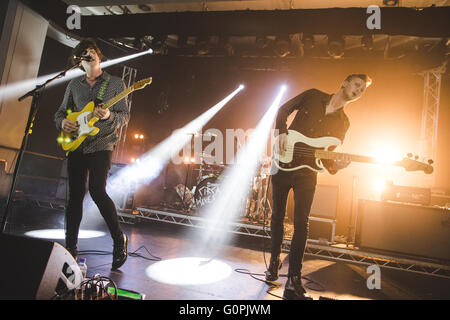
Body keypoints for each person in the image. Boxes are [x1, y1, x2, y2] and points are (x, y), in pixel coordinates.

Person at [266, 74, 372, 299]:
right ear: (344, 82)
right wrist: (282, 133)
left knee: (301, 224)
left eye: (363, 90)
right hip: (282, 164)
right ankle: (274, 261)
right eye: (357, 85)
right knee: (277, 216)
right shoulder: (313, 95)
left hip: (307, 174)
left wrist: (339, 166)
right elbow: (282, 110)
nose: (359, 90)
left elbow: (327, 160)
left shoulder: (344, 123)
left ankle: (294, 277)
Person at [54, 38, 130, 270]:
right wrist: (64, 122)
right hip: (77, 145)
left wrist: (108, 117)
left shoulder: (115, 83)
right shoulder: (74, 85)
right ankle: (70, 248)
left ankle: (119, 239)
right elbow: (59, 113)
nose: (90, 54)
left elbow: (124, 117)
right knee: (75, 197)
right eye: (84, 54)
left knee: (97, 191)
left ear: (99, 55)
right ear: (80, 62)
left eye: (92, 52)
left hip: (102, 144)